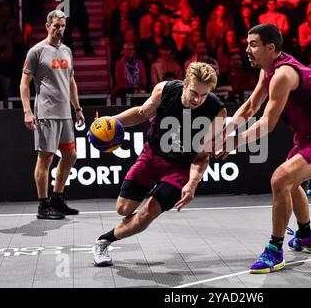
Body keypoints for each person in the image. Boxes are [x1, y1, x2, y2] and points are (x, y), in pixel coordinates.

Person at [217, 24, 311, 273]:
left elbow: (267, 124)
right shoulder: (267, 70)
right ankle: (305, 235)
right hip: (309, 136)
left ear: (271, 48)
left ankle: (274, 251)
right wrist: (225, 132)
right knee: (290, 182)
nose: (247, 49)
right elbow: (250, 106)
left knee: (280, 179)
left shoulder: (283, 75)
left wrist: (233, 143)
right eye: (247, 44)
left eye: (253, 45)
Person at [92, 62, 227, 267]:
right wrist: (110, 121)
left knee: (148, 213)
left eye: (203, 95)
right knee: (123, 208)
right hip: (152, 156)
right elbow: (141, 113)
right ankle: (120, 228)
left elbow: (201, 156)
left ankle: (104, 240)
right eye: (193, 92)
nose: (197, 99)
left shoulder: (217, 111)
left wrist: (192, 183)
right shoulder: (164, 90)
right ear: (184, 84)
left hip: (180, 168)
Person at [20, 10, 84, 220]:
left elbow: (71, 81)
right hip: (46, 112)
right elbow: (24, 84)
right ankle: (43, 204)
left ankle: (57, 198)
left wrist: (77, 108)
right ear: (47, 26)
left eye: (62, 25)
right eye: (56, 25)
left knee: (71, 155)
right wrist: (28, 111)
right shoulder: (36, 51)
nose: (59, 29)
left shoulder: (66, 51)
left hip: (65, 113)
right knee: (45, 158)